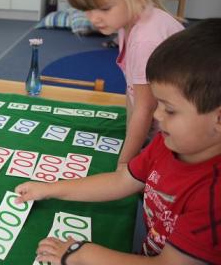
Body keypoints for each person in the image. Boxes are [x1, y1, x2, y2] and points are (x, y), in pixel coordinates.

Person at [15, 18, 221, 264]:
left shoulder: (214, 197)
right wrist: (50, 188)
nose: (156, 115)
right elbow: (123, 180)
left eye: (170, 110)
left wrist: (83, 254)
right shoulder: (166, 144)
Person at [67, 0, 184, 167]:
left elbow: (144, 108)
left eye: (104, 8)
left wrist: (124, 164)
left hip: (181, 138)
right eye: (88, 9)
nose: (94, 19)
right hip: (161, 128)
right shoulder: (126, 22)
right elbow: (134, 95)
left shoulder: (145, 40)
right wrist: (131, 136)